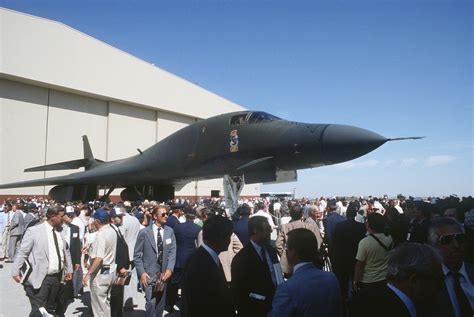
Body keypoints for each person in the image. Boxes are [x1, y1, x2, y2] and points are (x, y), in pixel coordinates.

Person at [350, 243, 444, 317]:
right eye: (437, 279)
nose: (441, 285)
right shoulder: (370, 309)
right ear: (414, 280)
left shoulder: (365, 302)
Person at [12, 205, 73, 317]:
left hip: (57, 277)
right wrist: (15, 271)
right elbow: (23, 252)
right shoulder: (34, 231)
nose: (63, 219)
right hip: (41, 276)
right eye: (61, 216)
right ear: (53, 217)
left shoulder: (61, 231)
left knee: (50, 309)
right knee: (39, 310)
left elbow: (66, 251)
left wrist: (69, 269)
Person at [269, 228, 341, 317]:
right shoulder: (331, 278)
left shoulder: (286, 289)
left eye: (287, 247)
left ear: (293, 252)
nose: (285, 251)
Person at [182, 215, 235, 317]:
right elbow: (199, 306)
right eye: (228, 236)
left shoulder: (209, 258)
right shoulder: (200, 264)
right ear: (219, 237)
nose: (229, 241)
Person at [231, 216, 280, 317]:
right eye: (267, 229)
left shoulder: (271, 251)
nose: (270, 232)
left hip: (276, 305)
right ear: (255, 230)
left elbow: (278, 275)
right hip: (254, 310)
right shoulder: (242, 258)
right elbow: (238, 291)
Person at [134, 205, 176, 317]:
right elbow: (137, 255)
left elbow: (172, 252)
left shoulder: (169, 232)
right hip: (149, 273)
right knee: (150, 302)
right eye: (163, 214)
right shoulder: (144, 233)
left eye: (167, 214)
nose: (166, 216)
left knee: (160, 303)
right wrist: (141, 272)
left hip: (163, 274)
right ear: (155, 216)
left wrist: (170, 269)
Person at [429, 217, 474, 317]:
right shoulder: (428, 281)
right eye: (446, 240)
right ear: (434, 246)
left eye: (460, 238)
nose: (456, 245)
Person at [82, 208, 118, 317]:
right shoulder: (112, 230)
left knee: (99, 306)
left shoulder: (101, 234)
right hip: (110, 270)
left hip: (100, 272)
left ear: (97, 221)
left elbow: (99, 258)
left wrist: (88, 275)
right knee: (105, 302)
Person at [166, 206, 201, 312]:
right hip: (190, 258)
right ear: (194, 217)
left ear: (185, 216)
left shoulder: (177, 227)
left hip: (178, 257)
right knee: (188, 285)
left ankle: (169, 305)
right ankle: (185, 306)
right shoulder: (198, 229)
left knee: (173, 284)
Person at [276, 205, 322, 277]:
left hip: (289, 265)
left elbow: (278, 245)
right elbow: (318, 242)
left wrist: (287, 255)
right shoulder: (309, 226)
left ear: (290, 215)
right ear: (302, 214)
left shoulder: (284, 227)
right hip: (308, 261)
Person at [353, 213, 393, 293]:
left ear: (371, 225)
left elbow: (359, 265)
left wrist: (355, 281)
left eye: (367, 221)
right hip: (385, 278)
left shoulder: (365, 242)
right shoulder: (389, 238)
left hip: (368, 280)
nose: (366, 223)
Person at [333, 206, 366, 301]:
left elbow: (336, 243)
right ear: (355, 214)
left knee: (343, 285)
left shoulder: (339, 226)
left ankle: (343, 306)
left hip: (342, 259)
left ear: (346, 214)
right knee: (356, 284)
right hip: (356, 258)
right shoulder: (361, 227)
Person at [55, 208, 82, 316]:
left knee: (67, 280)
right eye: (68, 214)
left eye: (72, 214)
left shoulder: (75, 228)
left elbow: (76, 246)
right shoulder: (57, 228)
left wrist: (77, 261)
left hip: (70, 258)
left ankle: (64, 300)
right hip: (59, 258)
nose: (70, 216)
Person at [116, 204, 141, 311]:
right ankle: (133, 300)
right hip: (135, 250)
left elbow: (121, 237)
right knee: (134, 277)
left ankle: (126, 301)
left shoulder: (123, 221)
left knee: (124, 277)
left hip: (126, 251)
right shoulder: (135, 219)